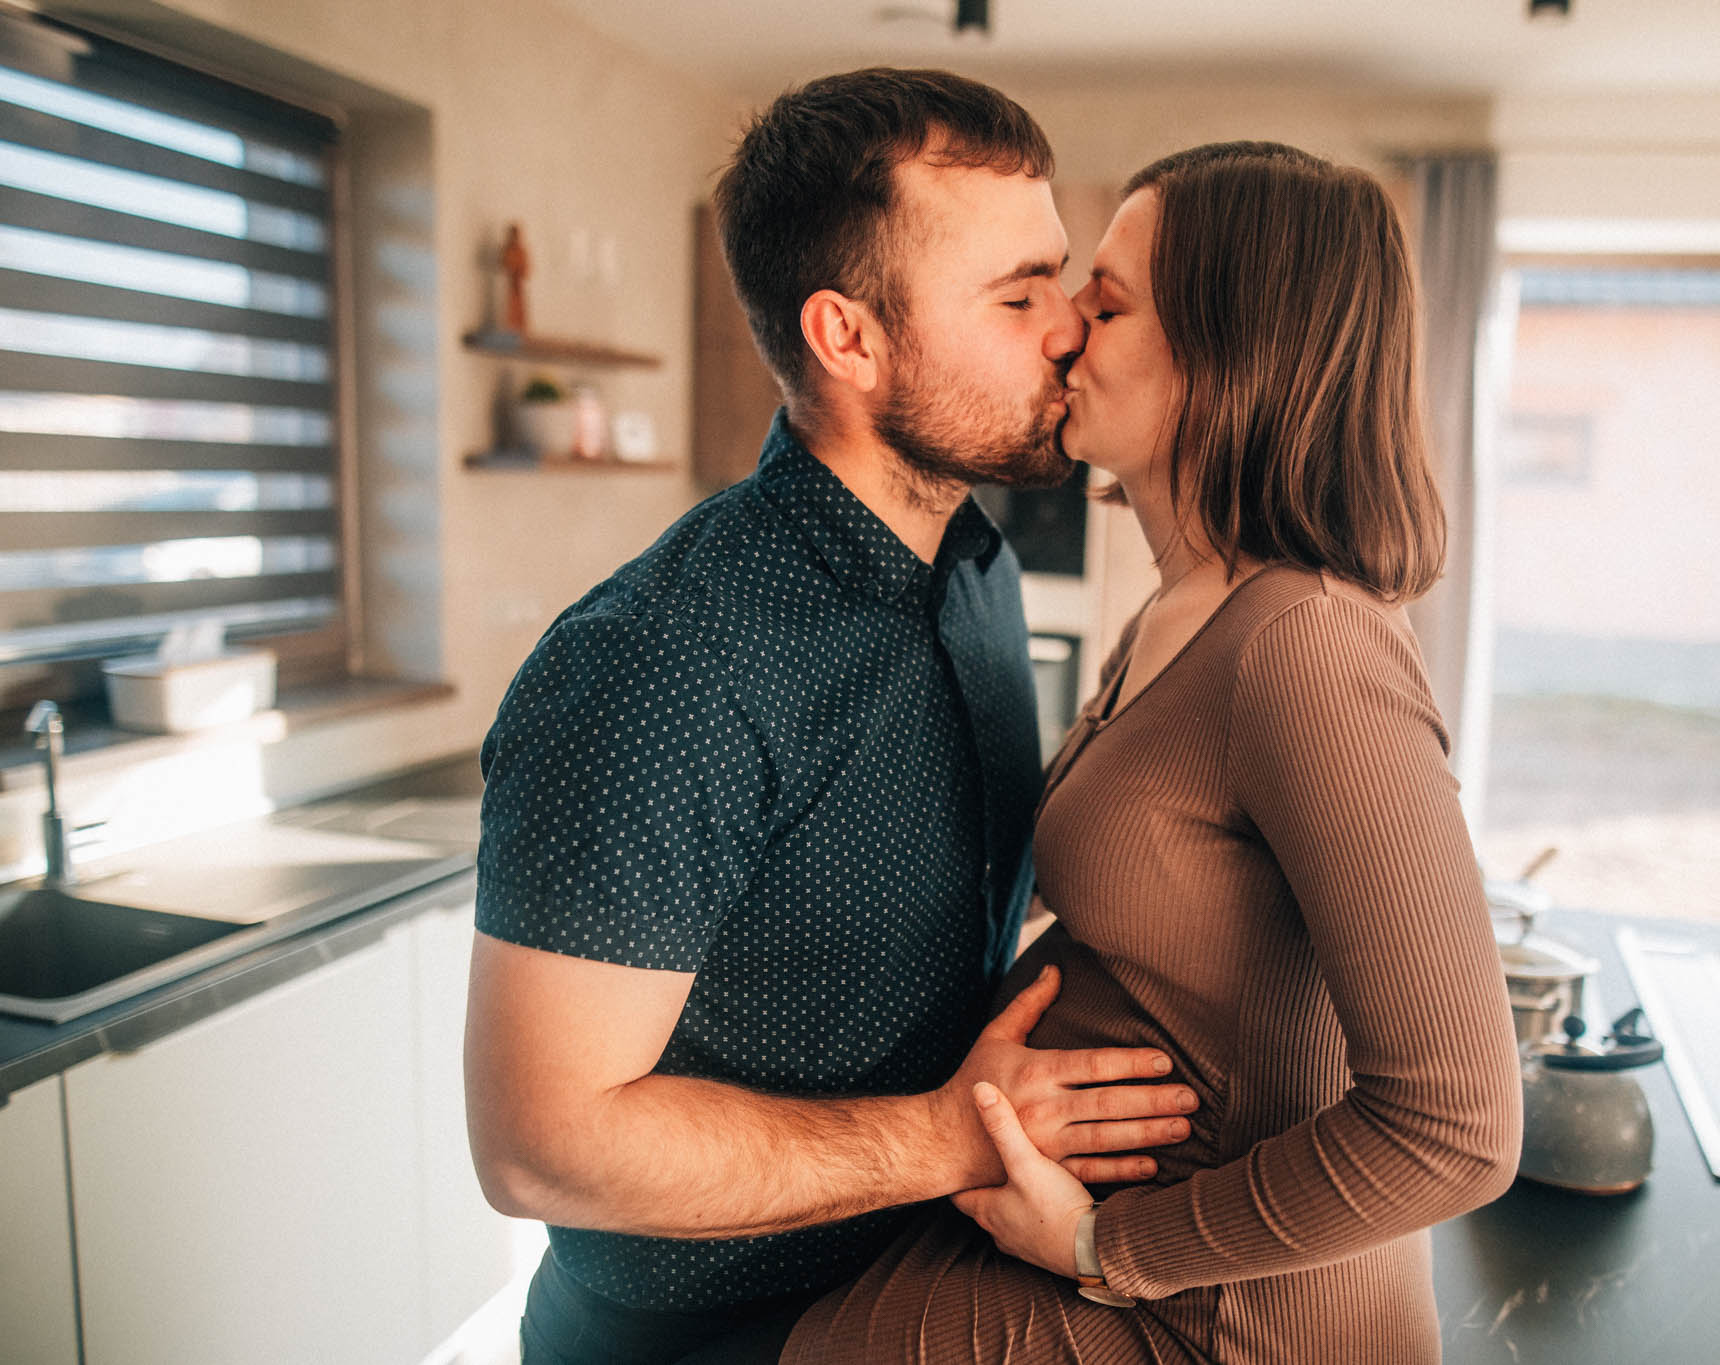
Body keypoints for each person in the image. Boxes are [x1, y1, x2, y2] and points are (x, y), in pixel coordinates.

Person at [463, 69, 1202, 1365]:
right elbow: (539, 1143)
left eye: (1062, 282)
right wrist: (950, 1133)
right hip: (701, 1338)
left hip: (928, 1283)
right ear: (848, 339)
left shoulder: (979, 571)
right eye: (1017, 296)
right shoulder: (659, 665)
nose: (1070, 330)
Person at [781, 141, 1524, 1365]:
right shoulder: (1183, 610)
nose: (1063, 327)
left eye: (1109, 301)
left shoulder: (1305, 648)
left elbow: (1456, 1125)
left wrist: (1099, 1251)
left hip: (1221, 1314)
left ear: (1235, 354)